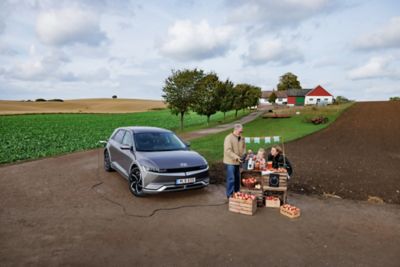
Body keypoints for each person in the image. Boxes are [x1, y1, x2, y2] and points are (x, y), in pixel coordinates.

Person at [223, 124, 246, 198]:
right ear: (235, 130)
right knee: (231, 179)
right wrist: (236, 157)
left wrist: (244, 155)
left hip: (238, 162)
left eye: (241, 131)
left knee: (237, 179)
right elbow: (228, 150)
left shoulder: (242, 138)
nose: (241, 133)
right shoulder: (228, 138)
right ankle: (229, 195)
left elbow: (244, 148)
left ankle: (237, 193)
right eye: (240, 131)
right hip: (230, 162)